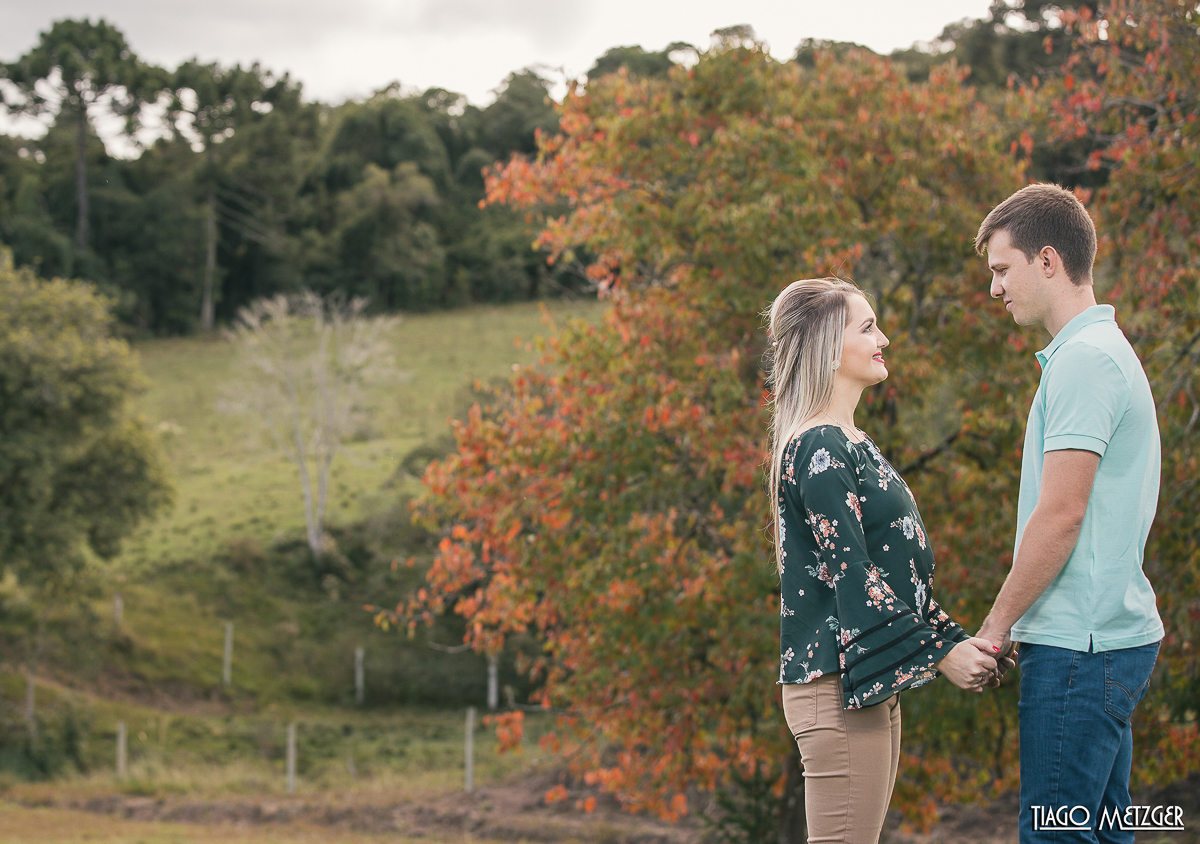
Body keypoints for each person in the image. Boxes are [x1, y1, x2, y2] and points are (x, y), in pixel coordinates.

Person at [767, 277, 1004, 844]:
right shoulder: (821, 446)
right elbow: (855, 578)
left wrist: (952, 637)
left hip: (864, 685)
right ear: (828, 346)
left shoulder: (851, 440)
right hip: (836, 688)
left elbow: (895, 574)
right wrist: (943, 655)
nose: (885, 339)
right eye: (868, 327)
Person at [973, 184, 1164, 844]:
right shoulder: (1099, 353)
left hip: (1080, 649)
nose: (996, 288)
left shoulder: (1084, 363)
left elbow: (1061, 515)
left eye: (1003, 269)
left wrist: (996, 629)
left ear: (1047, 261)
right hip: (1103, 641)